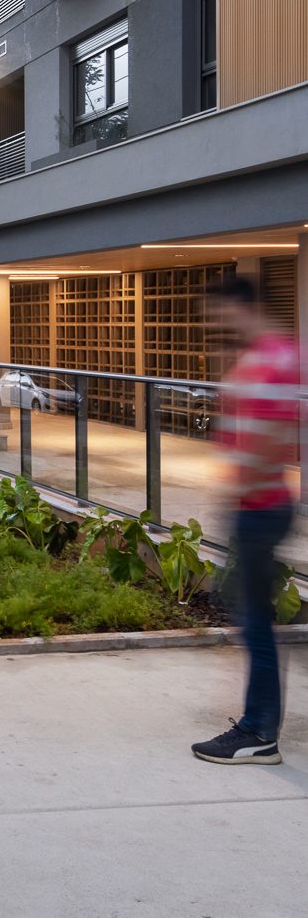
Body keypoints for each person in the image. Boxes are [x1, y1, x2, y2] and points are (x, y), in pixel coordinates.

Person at [191, 276, 300, 766]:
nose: (213, 323)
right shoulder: (279, 354)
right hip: (265, 502)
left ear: (237, 308)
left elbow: (270, 438)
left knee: (253, 621)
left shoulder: (265, 362)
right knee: (251, 618)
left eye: (216, 313)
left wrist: (241, 491)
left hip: (258, 506)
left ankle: (258, 732)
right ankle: (260, 726)